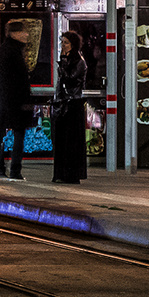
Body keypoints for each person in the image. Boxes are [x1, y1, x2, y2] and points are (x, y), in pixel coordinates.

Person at [0, 19, 35, 181]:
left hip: (6, 98)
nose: (26, 35)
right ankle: (15, 171)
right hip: (17, 100)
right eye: (22, 32)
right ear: (14, 34)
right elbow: (20, 79)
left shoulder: (2, 51)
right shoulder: (14, 52)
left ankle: (0, 168)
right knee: (18, 135)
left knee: (5, 135)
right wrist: (25, 100)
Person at [52, 31, 89, 184]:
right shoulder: (67, 60)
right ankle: (60, 173)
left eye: (66, 42)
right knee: (61, 140)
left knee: (71, 141)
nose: (63, 46)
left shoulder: (79, 61)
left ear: (73, 44)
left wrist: (62, 63)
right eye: (62, 42)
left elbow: (70, 78)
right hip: (63, 103)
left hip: (73, 104)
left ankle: (72, 174)